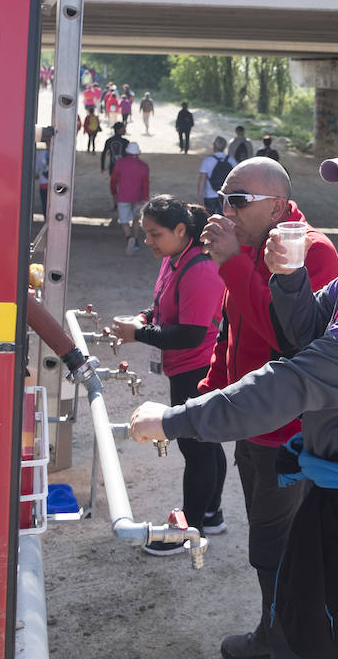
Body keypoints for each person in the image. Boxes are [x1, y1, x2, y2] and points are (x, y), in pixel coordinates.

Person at [128, 140, 338, 659]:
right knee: (320, 616)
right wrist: (290, 276)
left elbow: (292, 379)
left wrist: (174, 420)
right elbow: (303, 332)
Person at [195, 156, 338, 659]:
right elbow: (232, 328)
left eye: (238, 201)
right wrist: (213, 388)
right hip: (253, 422)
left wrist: (232, 263)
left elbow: (287, 337)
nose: (226, 210)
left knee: (277, 547)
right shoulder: (252, 247)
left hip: (288, 433)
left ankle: (281, 643)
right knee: (268, 537)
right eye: (222, 199)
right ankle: (282, 634)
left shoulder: (311, 252)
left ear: (278, 205)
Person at [111, 197, 228, 555]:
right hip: (184, 364)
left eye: (154, 234)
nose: (148, 241)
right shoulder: (175, 257)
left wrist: (137, 334)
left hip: (198, 366)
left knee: (194, 445)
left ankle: (189, 529)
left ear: (181, 231)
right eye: (145, 233)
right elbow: (163, 305)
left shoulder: (202, 268)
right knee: (206, 440)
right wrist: (143, 320)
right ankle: (212, 512)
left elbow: (191, 333)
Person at [109, 141, 149, 255]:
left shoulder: (121, 163)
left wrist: (114, 193)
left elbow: (113, 180)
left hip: (123, 197)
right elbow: (145, 185)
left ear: (127, 152)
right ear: (138, 153)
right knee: (136, 220)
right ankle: (136, 240)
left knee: (124, 221)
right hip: (138, 197)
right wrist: (145, 199)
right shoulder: (144, 166)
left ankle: (128, 237)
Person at [197, 136, 235, 216]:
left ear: (214, 146)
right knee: (224, 219)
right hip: (224, 195)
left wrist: (200, 196)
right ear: (224, 147)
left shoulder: (207, 160)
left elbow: (202, 179)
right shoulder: (231, 160)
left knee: (209, 218)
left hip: (209, 195)